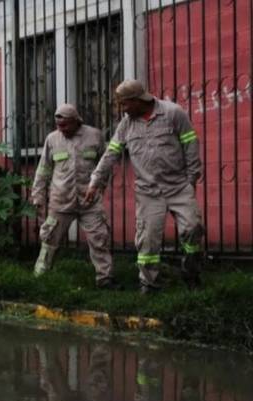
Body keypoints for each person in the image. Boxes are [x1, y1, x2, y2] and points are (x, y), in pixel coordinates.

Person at [86, 80, 204, 294]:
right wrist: (95, 181)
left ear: (138, 100)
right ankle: (149, 284)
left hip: (178, 186)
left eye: (124, 104)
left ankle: (191, 272)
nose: (122, 109)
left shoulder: (173, 113)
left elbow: (191, 144)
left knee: (193, 229)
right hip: (148, 192)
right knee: (147, 241)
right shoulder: (126, 124)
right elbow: (110, 154)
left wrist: (191, 179)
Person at [31, 104, 116, 288]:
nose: (62, 129)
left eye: (66, 125)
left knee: (99, 238)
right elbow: (43, 169)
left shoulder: (95, 136)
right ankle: (40, 276)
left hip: (89, 201)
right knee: (50, 238)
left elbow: (105, 165)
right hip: (61, 199)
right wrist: (38, 195)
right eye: (58, 125)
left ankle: (105, 279)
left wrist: (100, 187)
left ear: (76, 121)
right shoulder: (52, 139)